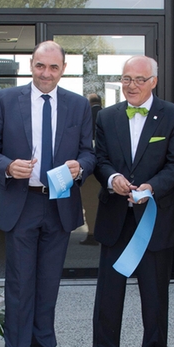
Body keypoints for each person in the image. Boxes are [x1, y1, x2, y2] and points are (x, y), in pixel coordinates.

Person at [0, 40, 96, 347]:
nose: (46, 74)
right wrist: (7, 166)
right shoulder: (5, 101)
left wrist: (81, 168)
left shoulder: (77, 105)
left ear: (63, 69)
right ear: (31, 65)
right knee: (19, 286)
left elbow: (90, 153)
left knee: (48, 286)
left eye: (54, 68)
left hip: (58, 204)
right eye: (40, 66)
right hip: (21, 203)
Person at [86, 56, 174, 347]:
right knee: (108, 297)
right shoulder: (106, 116)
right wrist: (112, 177)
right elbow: (99, 160)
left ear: (154, 82)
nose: (131, 85)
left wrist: (151, 187)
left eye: (139, 79)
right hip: (116, 219)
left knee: (156, 297)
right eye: (126, 79)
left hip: (153, 220)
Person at [80, 93, 103, 246]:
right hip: (106, 167)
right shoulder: (108, 115)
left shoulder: (86, 116)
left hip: (89, 167)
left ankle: (92, 233)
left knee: (90, 201)